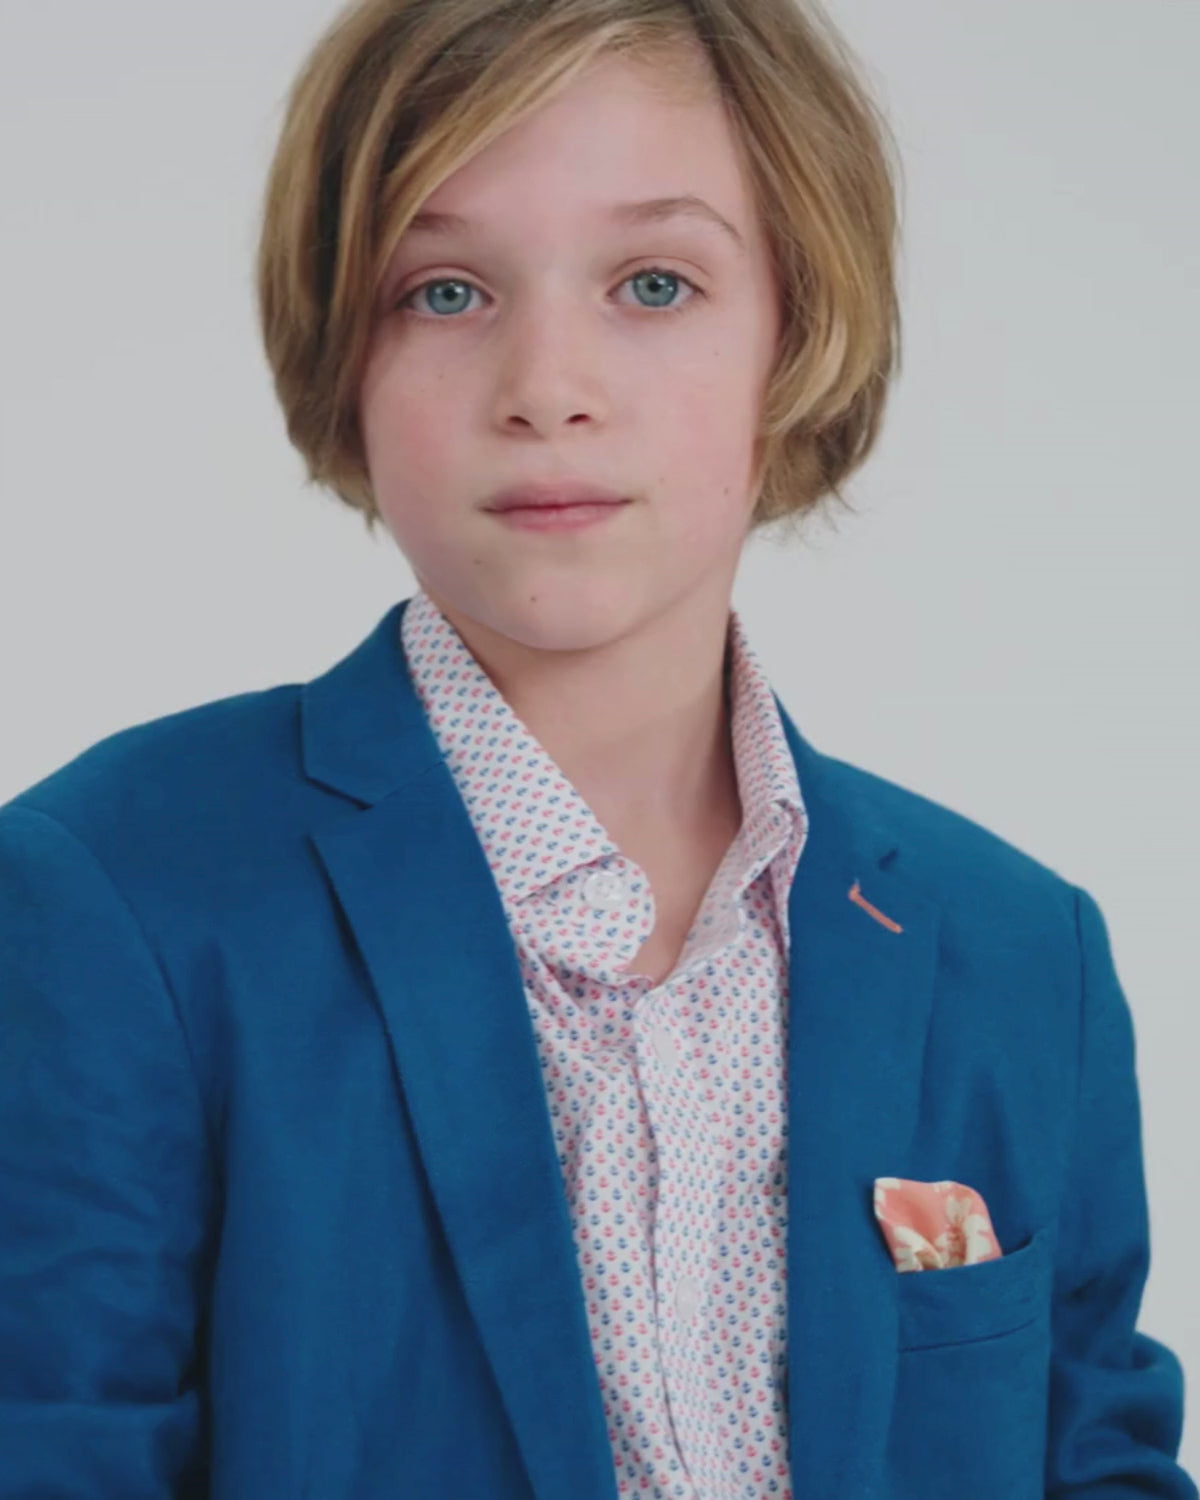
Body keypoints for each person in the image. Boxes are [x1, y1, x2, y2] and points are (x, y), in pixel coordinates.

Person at [0, 0, 1194, 1495]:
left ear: (798, 331)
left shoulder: (1022, 956)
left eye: (653, 281)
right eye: (443, 292)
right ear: (345, 355)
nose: (546, 385)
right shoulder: (111, 899)